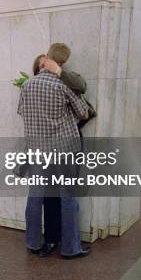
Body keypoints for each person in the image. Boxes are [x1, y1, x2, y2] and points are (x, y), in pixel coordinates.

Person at [18, 44, 91, 259]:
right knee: (67, 198)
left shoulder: (27, 85)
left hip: (37, 151)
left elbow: (21, 111)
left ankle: (33, 243)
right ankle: (70, 248)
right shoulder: (63, 85)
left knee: (35, 198)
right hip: (64, 151)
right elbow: (84, 113)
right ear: (63, 63)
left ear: (46, 59)